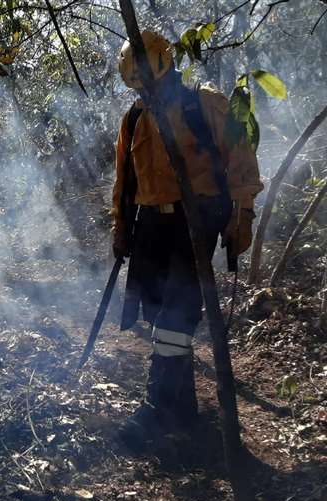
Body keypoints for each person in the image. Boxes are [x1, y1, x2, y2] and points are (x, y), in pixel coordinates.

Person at [111, 32, 264, 447]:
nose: (148, 93)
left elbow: (243, 164)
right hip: (151, 225)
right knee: (159, 312)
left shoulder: (206, 104)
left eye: (151, 84)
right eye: (140, 87)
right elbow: (125, 179)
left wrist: (241, 217)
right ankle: (185, 407)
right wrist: (122, 227)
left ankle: (158, 409)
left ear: (167, 67)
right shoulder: (135, 118)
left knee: (177, 313)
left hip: (195, 221)